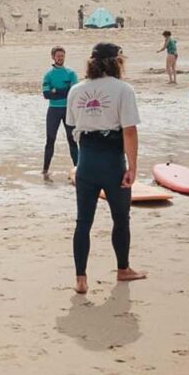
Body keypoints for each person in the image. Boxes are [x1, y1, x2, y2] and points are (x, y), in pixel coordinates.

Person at [66, 43, 146, 295]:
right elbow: (129, 131)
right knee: (121, 218)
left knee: (83, 221)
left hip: (87, 160)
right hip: (112, 161)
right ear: (116, 62)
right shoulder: (123, 89)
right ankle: (123, 269)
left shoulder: (76, 90)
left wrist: (80, 161)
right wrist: (132, 167)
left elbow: (72, 127)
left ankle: (81, 279)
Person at [41, 46, 79, 180]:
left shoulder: (71, 73)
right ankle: (45, 170)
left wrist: (56, 90)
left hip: (68, 110)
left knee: (72, 140)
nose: (60, 58)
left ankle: (78, 169)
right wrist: (64, 91)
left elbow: (73, 93)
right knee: (50, 139)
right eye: (58, 56)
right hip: (54, 110)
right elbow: (46, 95)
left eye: (62, 56)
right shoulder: (48, 75)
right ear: (53, 57)